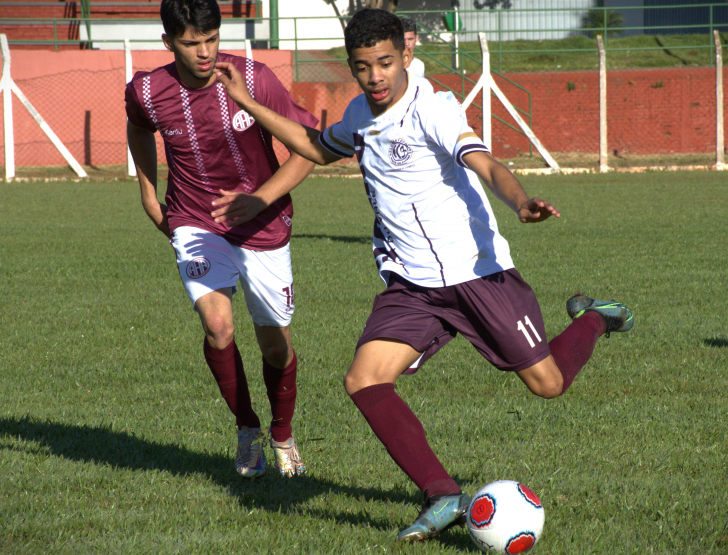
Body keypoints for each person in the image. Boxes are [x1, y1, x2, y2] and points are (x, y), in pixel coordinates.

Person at [215, 7, 633, 541]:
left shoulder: (434, 110)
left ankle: (594, 318)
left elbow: (486, 164)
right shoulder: (359, 116)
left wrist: (521, 200)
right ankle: (442, 493)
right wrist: (248, 103)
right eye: (363, 66)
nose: (375, 77)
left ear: (407, 55)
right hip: (412, 286)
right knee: (364, 379)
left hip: (477, 275)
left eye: (385, 63)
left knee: (547, 384)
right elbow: (318, 148)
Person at [124, 0, 318, 479]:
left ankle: (282, 431)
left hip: (263, 223)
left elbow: (309, 146)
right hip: (193, 219)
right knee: (218, 326)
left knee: (275, 346)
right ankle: (247, 428)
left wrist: (261, 198)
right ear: (169, 43)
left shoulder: (255, 79)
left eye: (212, 39)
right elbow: (139, 128)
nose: (206, 52)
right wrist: (150, 196)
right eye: (192, 43)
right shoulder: (147, 91)